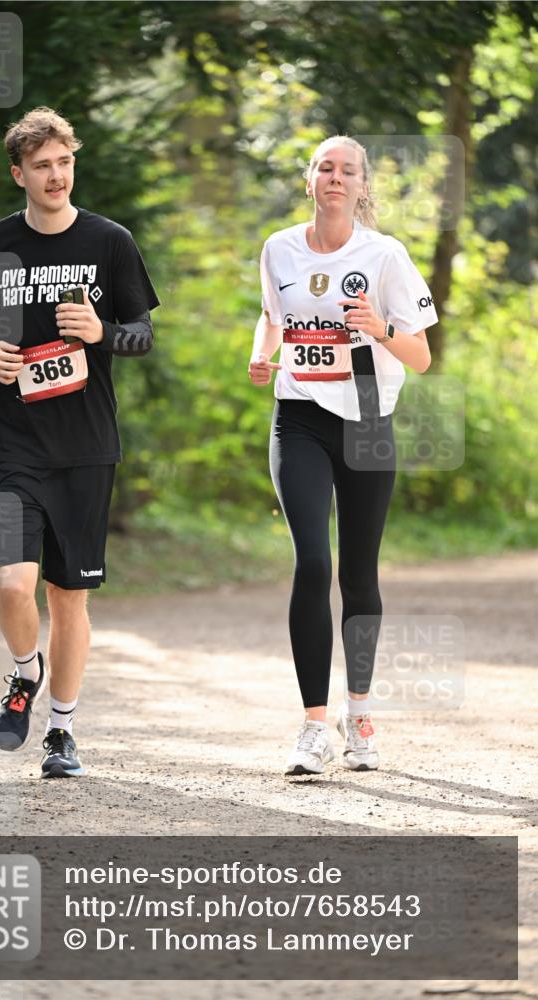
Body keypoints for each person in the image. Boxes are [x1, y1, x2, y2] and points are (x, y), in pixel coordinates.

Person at [0, 107, 159, 778]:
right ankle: (22, 674)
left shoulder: (109, 242)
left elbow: (142, 336)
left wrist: (101, 334)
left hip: (87, 446)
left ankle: (61, 733)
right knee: (14, 586)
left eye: (64, 162)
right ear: (19, 174)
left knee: (69, 598)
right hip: (13, 443)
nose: (55, 175)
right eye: (41, 166)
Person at [249, 135, 437, 776]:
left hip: (366, 417)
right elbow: (273, 316)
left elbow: (420, 355)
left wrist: (377, 328)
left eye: (347, 170)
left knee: (358, 576)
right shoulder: (279, 248)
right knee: (311, 562)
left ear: (362, 186)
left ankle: (358, 716)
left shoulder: (385, 256)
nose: (335, 177)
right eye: (324, 167)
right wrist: (261, 349)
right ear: (309, 181)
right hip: (298, 415)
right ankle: (311, 727)